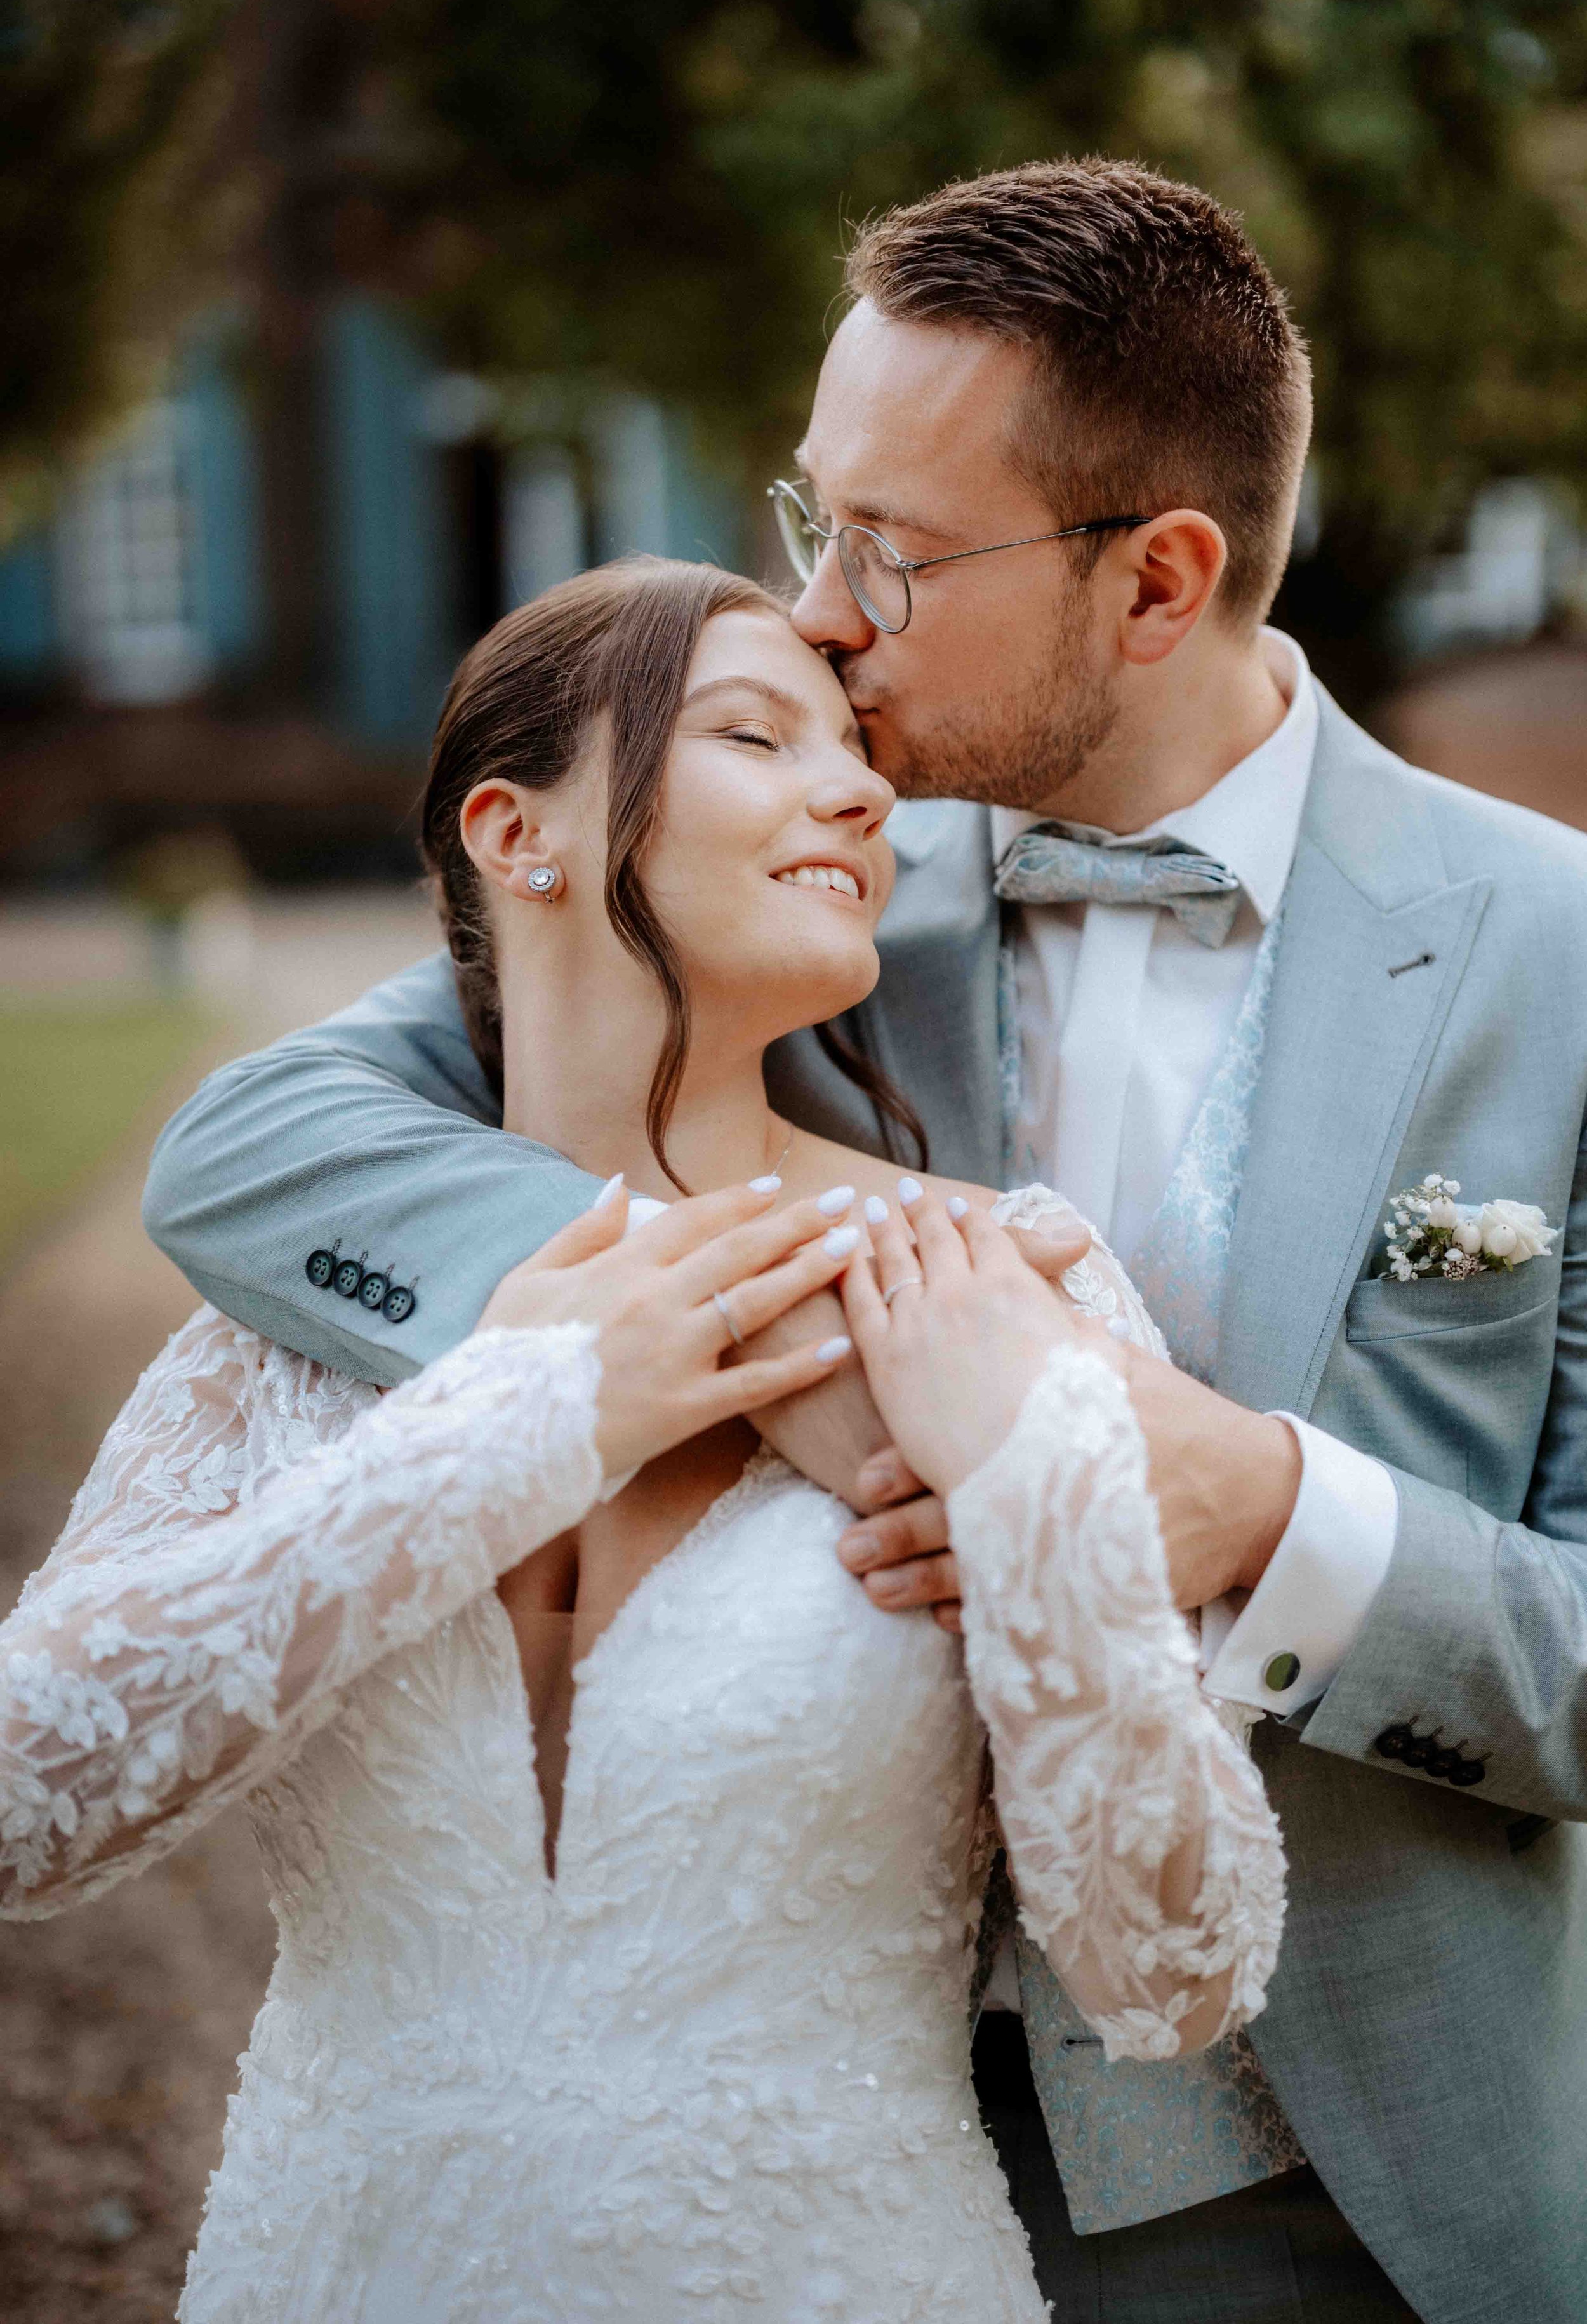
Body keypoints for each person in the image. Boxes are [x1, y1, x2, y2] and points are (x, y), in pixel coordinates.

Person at [142, 159, 1587, 2324]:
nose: (813, 616)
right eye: (811, 517)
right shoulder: (772, 890)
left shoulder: (1556, 961)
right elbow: (257, 1154)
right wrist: (777, 1338)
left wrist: (1260, 1510)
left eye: (890, 558)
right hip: (837, 2150)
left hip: (1348, 2185)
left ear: (1159, 580)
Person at [0, 562, 1284, 2324]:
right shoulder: (294, 1320)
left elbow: (1173, 1971)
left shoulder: (991, 1285)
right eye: (755, 734)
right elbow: (24, 1807)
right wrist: (517, 1421)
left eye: (857, 757)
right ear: (516, 834)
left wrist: (1034, 1501)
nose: (856, 789)